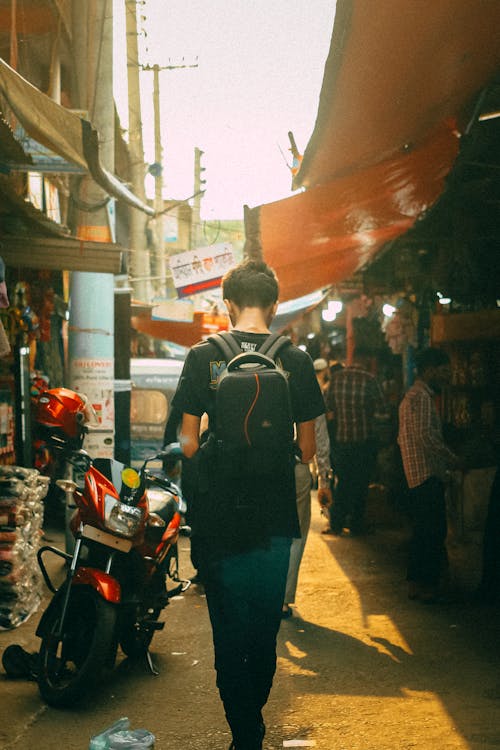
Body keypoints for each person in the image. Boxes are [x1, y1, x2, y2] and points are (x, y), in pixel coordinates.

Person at [171, 259, 325, 750]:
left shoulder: (204, 357)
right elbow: (306, 451)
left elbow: (189, 444)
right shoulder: (295, 360)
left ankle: (242, 728)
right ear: (275, 304)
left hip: (220, 518)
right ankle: (253, 720)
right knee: (262, 627)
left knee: (227, 626)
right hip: (274, 515)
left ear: (228, 302)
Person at [398, 347, 461, 603]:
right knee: (432, 531)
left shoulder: (413, 396)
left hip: (416, 474)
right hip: (426, 473)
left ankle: (417, 583)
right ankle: (426, 585)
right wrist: (453, 458)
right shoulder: (421, 397)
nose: (446, 375)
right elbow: (426, 435)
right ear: (430, 370)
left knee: (423, 531)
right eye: (443, 370)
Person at [324, 345, 386, 536]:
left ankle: (336, 523)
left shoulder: (336, 379)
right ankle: (356, 524)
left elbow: (328, 407)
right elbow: (382, 410)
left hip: (342, 441)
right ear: (366, 360)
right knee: (361, 483)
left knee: (343, 482)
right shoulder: (370, 379)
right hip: (364, 441)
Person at [281, 413, 332, 619]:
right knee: (295, 534)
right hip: (296, 467)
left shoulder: (253, 380)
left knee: (265, 533)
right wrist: (324, 481)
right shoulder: (304, 384)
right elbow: (319, 438)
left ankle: (263, 594)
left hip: (260, 470)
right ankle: (282, 601)